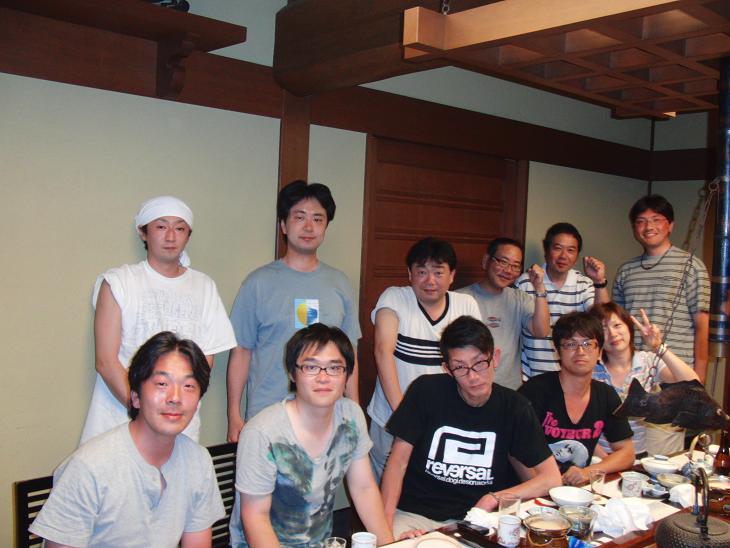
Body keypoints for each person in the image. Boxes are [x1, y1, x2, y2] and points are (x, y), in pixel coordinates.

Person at [30, 332, 225, 547]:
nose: (175, 398)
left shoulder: (198, 461)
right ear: (135, 397)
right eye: (162, 383)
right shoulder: (89, 468)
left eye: (188, 386)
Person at [380, 316, 561, 536]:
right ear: (447, 369)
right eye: (460, 367)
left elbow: (551, 478)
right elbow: (397, 462)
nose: (473, 376)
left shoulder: (515, 407)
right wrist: (385, 531)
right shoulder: (425, 391)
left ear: (495, 358)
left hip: (479, 518)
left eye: (479, 363)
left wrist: (493, 498)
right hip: (416, 515)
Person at [81, 195, 236, 444]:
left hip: (180, 422)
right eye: (161, 226)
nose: (171, 236)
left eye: (180, 228)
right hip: (120, 419)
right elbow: (106, 362)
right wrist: (144, 411)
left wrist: (176, 406)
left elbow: (204, 362)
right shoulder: (119, 282)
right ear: (143, 232)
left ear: (188, 235)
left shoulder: (204, 286)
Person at [230, 324, 393, 547]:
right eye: (311, 367)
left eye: (334, 368)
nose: (323, 377)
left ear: (347, 374)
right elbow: (255, 517)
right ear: (292, 373)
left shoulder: (351, 416)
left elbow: (364, 488)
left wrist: (390, 545)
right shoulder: (263, 432)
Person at [226, 180, 361, 443]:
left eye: (317, 219)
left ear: (325, 227)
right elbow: (241, 351)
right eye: (299, 217)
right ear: (284, 226)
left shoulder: (340, 283)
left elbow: (350, 354)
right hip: (267, 415)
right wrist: (233, 414)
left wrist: (353, 410)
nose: (309, 227)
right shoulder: (257, 283)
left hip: (327, 418)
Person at [366, 237, 481, 480]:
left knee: (428, 489)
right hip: (392, 417)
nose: (430, 281)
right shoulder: (395, 297)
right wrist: (404, 417)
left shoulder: (466, 305)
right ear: (410, 274)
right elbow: (383, 351)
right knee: (384, 488)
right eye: (421, 272)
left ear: (452, 276)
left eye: (438, 272)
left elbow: (475, 362)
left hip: (444, 422)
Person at [613, 194, 710, 454]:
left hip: (672, 376)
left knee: (661, 456)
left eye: (656, 219)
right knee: (627, 450)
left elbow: (702, 326)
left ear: (670, 225)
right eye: (641, 221)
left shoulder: (692, 266)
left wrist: (698, 379)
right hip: (633, 375)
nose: (648, 227)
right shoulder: (626, 271)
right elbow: (617, 323)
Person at [519, 312, 634, 485]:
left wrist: (588, 472)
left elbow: (627, 453)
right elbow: (515, 452)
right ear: (558, 351)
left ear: (599, 352)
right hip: (535, 487)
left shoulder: (606, 395)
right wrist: (547, 485)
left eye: (588, 344)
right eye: (571, 344)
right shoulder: (535, 391)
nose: (580, 351)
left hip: (575, 488)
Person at [589, 302, 699, 457]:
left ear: (629, 327)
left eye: (617, 325)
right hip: (599, 457)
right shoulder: (591, 368)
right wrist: (608, 461)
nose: (612, 333)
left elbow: (693, 384)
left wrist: (659, 348)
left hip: (638, 455)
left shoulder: (647, 361)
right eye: (603, 329)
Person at [516, 223, 609, 378]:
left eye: (571, 250)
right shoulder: (526, 282)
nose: (563, 256)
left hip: (574, 375)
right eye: (557, 248)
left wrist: (599, 282)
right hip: (533, 374)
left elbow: (602, 321)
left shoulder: (584, 284)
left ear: (577, 255)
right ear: (546, 250)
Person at [458, 237, 550, 389]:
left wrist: (539, 288)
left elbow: (541, 331)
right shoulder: (460, 298)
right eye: (503, 262)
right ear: (486, 261)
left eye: (515, 266)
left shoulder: (520, 298)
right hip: (470, 387)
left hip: (510, 389)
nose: (508, 270)